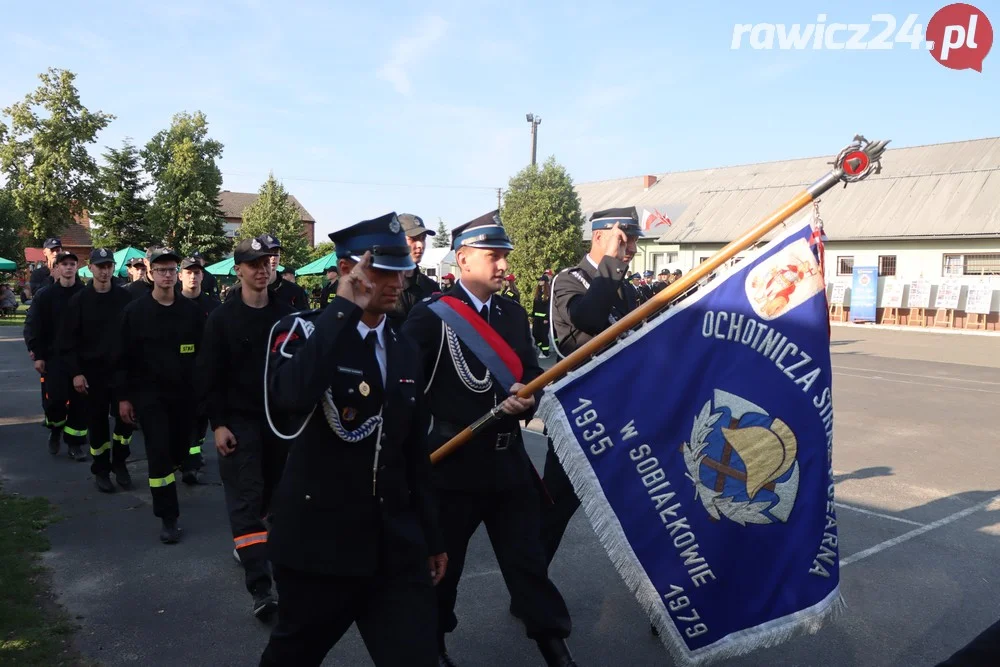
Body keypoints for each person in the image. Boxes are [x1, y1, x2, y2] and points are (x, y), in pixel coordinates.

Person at [258, 212, 446, 667]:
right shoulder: (302, 332)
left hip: (392, 547)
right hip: (320, 545)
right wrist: (342, 309)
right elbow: (289, 397)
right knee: (293, 655)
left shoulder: (403, 347)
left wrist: (432, 535)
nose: (399, 281)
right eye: (385, 270)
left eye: (403, 269)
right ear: (349, 270)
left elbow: (412, 452)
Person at [403, 210, 576, 667]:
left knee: (528, 563)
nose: (503, 265)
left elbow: (532, 374)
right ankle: (433, 648)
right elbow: (404, 392)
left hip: (508, 465)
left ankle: (555, 648)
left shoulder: (513, 315)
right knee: (446, 568)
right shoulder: (430, 317)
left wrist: (528, 396)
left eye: (504, 257)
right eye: (493, 256)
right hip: (453, 467)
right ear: (463, 259)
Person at [196, 237, 292, 620]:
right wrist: (218, 425)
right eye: (253, 263)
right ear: (238, 270)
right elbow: (208, 377)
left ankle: (268, 561)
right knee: (246, 503)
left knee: (278, 503)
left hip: (281, 425)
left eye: (267, 261)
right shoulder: (222, 318)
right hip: (239, 423)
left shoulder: (286, 315)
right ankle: (262, 588)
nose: (262, 269)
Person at [544, 207, 643, 566]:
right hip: (581, 416)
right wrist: (613, 266)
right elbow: (585, 322)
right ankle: (531, 591)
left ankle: (663, 606)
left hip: (623, 413)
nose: (630, 248)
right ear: (600, 236)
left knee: (647, 511)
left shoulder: (625, 288)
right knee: (554, 510)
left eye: (632, 241)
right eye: (624, 239)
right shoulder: (570, 279)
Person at [114, 248, 205, 544]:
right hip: (149, 397)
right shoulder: (135, 312)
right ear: (150, 273)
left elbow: (204, 356)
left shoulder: (191, 313)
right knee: (158, 454)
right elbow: (122, 358)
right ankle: (168, 516)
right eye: (161, 270)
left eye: (171, 269)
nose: (167, 275)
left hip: (184, 397)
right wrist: (124, 398)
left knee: (179, 450)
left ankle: (178, 467)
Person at [58, 249, 135, 492]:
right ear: (90, 268)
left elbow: (135, 338)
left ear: (114, 268)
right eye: (100, 266)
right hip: (92, 374)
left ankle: (120, 462)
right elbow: (67, 342)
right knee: (98, 424)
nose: (105, 271)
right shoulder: (78, 301)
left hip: (122, 372)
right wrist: (76, 373)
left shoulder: (125, 299)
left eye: (109, 266)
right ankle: (101, 469)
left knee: (126, 422)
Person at [24, 250, 88, 459]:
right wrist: (38, 354)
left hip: (81, 358)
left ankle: (74, 444)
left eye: (72, 264)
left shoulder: (85, 294)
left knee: (80, 403)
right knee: (56, 401)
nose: (69, 267)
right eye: (65, 264)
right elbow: (34, 325)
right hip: (54, 358)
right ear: (57, 268)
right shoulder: (46, 295)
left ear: (77, 267)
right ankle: (55, 430)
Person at [180, 256, 222, 483]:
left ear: (202, 276)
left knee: (199, 421)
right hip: (177, 375)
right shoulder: (172, 303)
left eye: (197, 272)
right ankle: (184, 455)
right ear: (181, 276)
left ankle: (191, 463)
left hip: (204, 374)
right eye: (189, 272)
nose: (193, 276)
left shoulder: (213, 307)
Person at [226, 235, 310, 311]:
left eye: (276, 253)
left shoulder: (295, 291)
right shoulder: (236, 291)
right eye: (269, 253)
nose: (273, 258)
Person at [388, 213, 439, 324]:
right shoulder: (383, 287)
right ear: (396, 240)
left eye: (423, 238)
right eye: (413, 239)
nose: (420, 245)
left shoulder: (431, 287)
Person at [532, 275, 552, 357]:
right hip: (537, 318)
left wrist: (546, 317)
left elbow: (549, 306)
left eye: (541, 280)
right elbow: (535, 305)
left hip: (544, 319)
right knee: (535, 334)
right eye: (539, 280)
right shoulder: (538, 292)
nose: (539, 281)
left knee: (544, 335)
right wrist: (533, 315)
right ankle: (541, 348)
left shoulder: (548, 293)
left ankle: (545, 353)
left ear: (545, 281)